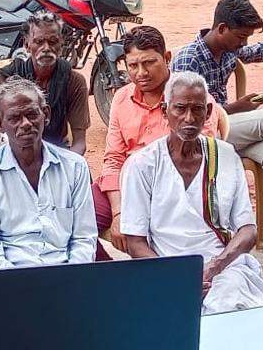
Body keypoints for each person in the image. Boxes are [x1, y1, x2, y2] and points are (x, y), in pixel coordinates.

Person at [121, 72, 263, 314]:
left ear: (209, 112)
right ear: (165, 110)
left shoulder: (225, 155)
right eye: (180, 109)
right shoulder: (142, 164)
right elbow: (136, 242)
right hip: (167, 270)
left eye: (197, 109)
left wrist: (214, 267)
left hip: (222, 267)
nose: (189, 118)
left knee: (229, 307)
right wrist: (177, 276)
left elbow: (247, 230)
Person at [94, 26, 221, 259]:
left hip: (170, 189)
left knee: (154, 235)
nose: (141, 72)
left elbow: (199, 160)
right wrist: (119, 210)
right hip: (124, 185)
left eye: (149, 63)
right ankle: (108, 275)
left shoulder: (192, 97)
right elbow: (113, 159)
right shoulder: (122, 98)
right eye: (133, 65)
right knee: (75, 217)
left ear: (167, 58)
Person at [171, 0, 263, 194]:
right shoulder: (189, 60)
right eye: (241, 37)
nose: (244, 43)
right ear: (222, 28)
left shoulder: (227, 48)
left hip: (227, 129)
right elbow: (185, 117)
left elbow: (254, 51)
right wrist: (235, 108)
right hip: (200, 136)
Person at [0, 77, 96, 269]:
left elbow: (84, 238)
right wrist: (24, 286)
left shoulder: (75, 167)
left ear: (46, 114)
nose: (25, 123)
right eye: (14, 118)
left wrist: (71, 279)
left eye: (32, 114)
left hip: (67, 277)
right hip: (11, 283)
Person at [0, 12, 90, 154]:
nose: (46, 48)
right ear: (27, 45)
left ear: (61, 44)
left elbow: (79, 142)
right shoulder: (9, 78)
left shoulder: (73, 81)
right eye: (39, 42)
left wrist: (69, 166)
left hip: (57, 151)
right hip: (13, 152)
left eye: (52, 42)